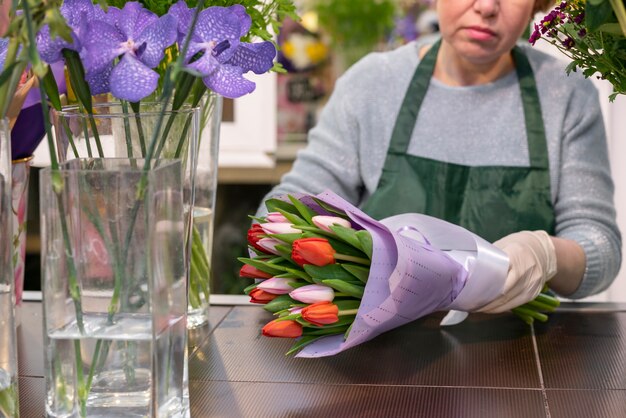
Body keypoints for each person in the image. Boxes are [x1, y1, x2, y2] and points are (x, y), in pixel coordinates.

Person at [259, 0, 622, 311]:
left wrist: (548, 256)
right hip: (383, 355)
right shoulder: (373, 85)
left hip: (517, 355)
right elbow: (281, 214)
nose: (486, 7)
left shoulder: (567, 94)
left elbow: (599, 245)